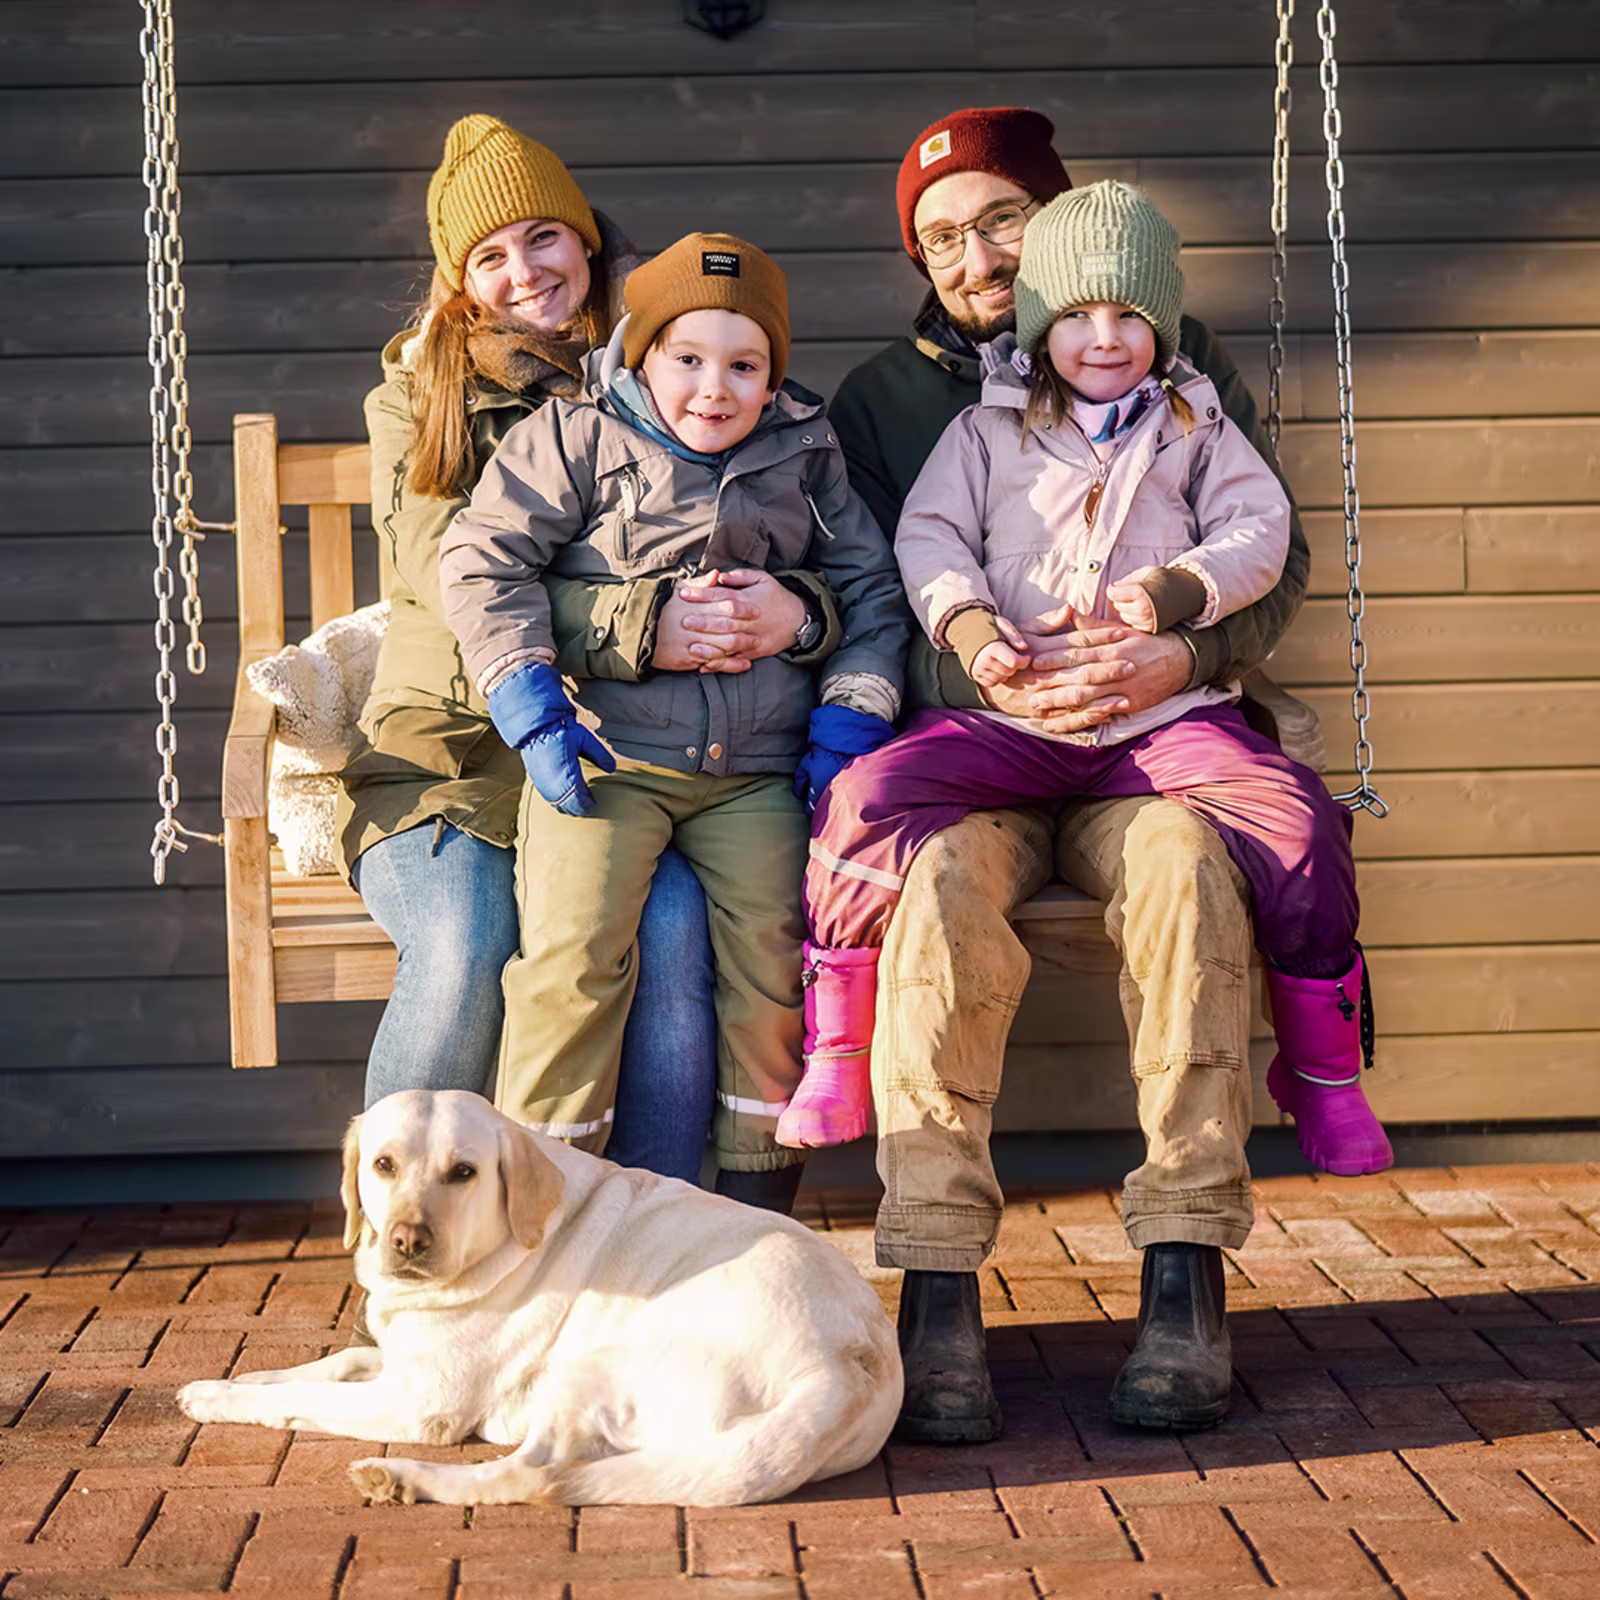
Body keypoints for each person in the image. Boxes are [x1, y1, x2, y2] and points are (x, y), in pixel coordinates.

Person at [825, 107, 1325, 1438]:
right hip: (981, 753)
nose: (970, 252)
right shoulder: (887, 398)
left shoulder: (1179, 356)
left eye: (996, 219)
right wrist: (994, 669)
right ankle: (933, 1292)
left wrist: (1181, 654)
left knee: (1185, 876)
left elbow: (1271, 556)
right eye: (938, 236)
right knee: (931, 898)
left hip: (1147, 748)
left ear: (1053, 228)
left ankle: (1184, 1273)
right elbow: (881, 588)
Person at [798, 179, 1390, 1201]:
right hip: (1007, 714)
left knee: (1297, 819)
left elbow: (1261, 534)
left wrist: (1176, 597)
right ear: (1039, 329)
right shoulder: (983, 430)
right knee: (859, 802)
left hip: (1157, 720)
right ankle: (839, 1045)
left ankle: (1323, 1071)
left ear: (1162, 326)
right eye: (1076, 315)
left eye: (1129, 315)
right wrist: (973, 632)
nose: (1105, 337)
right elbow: (927, 536)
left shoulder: (1197, 420)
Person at [338, 118, 838, 1192]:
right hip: (461, 750)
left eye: (543, 238)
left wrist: (786, 612)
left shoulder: (675, 363)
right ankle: (408, 1245)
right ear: (459, 282)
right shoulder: (416, 404)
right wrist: (639, 624)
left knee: (667, 932)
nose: (525, 273)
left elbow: (795, 540)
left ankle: (651, 1236)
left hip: (628, 753)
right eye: (490, 256)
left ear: (586, 242)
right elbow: (450, 572)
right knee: (469, 942)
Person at [439, 232, 911, 1209]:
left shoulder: (803, 449)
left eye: (744, 365)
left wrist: (846, 716)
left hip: (758, 769)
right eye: (685, 358)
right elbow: (484, 563)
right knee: (571, 960)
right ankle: (541, 1196)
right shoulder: (573, 437)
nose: (714, 388)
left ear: (773, 375)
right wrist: (527, 697)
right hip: (608, 756)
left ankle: (752, 1203)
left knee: (779, 964)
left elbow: (870, 592)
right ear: (638, 355)